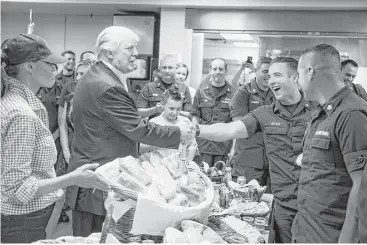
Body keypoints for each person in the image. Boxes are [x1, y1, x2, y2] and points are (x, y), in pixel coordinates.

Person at [65, 26, 195, 237]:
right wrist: (177, 133)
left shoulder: (104, 77)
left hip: (99, 177)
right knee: (97, 237)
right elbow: (135, 127)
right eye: (130, 48)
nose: (136, 53)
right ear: (109, 53)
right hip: (96, 183)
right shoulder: (107, 86)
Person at [0, 33, 109, 243]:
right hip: (22, 220)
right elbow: (17, 189)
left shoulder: (16, 102)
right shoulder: (20, 113)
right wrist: (73, 178)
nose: (55, 69)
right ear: (29, 66)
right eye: (49, 63)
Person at [192, 57, 315, 243]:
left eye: (277, 75)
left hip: (316, 202)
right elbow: (230, 129)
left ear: (295, 78)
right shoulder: (265, 113)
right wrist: (197, 130)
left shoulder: (318, 109)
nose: (271, 80)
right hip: (285, 204)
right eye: (269, 75)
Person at [290, 44, 367, 243]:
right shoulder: (322, 115)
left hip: (331, 235)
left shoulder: (351, 114)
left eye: (298, 74)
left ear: (310, 71)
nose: (297, 82)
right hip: (308, 229)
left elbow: (362, 189)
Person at [229, 57, 275, 189]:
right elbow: (239, 125)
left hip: (272, 162)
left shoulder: (277, 93)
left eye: (271, 73)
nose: (268, 76)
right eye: (265, 71)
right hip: (247, 161)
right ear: (256, 70)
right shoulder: (243, 92)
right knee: (244, 202)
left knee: (270, 203)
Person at [191, 58, 235, 167]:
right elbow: (195, 115)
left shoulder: (234, 93)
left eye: (221, 69)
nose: (217, 72)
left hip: (224, 147)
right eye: (215, 69)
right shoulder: (201, 91)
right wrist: (193, 140)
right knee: (201, 178)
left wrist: (234, 148)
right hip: (203, 145)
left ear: (226, 71)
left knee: (221, 179)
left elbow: (236, 122)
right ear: (210, 70)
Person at [140, 88, 198, 161]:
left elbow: (192, 145)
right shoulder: (153, 123)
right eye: (171, 108)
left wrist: (188, 162)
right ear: (163, 105)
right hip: (159, 167)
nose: (174, 113)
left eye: (178, 109)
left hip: (179, 167)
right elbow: (141, 148)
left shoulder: (186, 122)